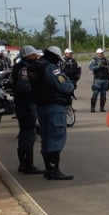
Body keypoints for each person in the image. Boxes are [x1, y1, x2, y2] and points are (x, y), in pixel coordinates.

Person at [32, 46, 76, 180]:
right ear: (54, 56)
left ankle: (49, 169)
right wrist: (70, 84)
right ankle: (54, 170)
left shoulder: (37, 66)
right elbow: (64, 85)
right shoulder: (51, 68)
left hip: (42, 106)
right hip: (54, 106)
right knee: (56, 136)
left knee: (46, 137)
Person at [12, 46, 43, 175]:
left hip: (23, 105)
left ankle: (24, 164)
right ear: (27, 56)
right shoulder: (24, 69)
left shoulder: (21, 66)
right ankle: (27, 165)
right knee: (29, 134)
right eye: (33, 55)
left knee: (26, 134)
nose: (35, 57)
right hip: (26, 105)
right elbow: (24, 87)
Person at [89, 48, 109, 113]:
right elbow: (90, 68)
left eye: (102, 53)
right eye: (100, 53)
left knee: (103, 95)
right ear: (97, 53)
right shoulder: (94, 60)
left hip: (105, 79)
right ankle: (92, 108)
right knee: (95, 93)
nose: (101, 54)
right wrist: (98, 66)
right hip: (98, 79)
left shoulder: (107, 60)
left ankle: (102, 108)